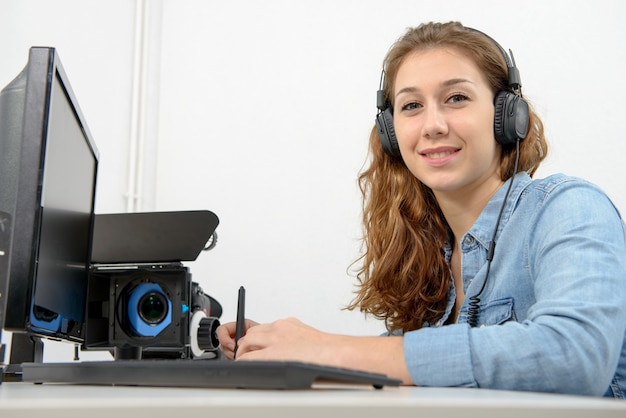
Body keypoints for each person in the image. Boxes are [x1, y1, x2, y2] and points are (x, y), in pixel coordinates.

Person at [216, 21, 626, 398]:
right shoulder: (429, 249)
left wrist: (328, 349)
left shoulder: (569, 208)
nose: (433, 125)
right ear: (391, 132)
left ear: (507, 117)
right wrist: (282, 350)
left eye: (457, 98)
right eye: (411, 106)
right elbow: (402, 367)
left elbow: (575, 358)